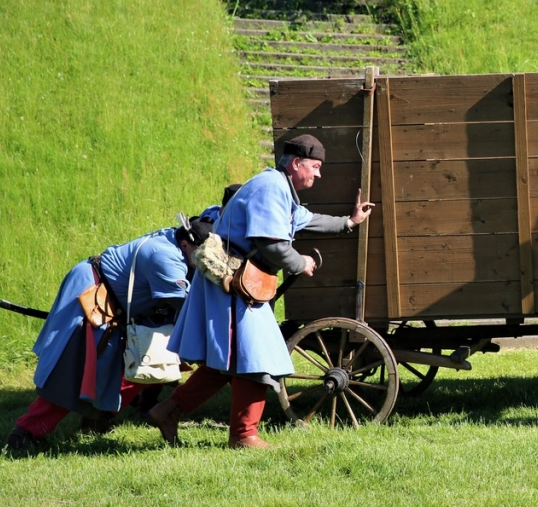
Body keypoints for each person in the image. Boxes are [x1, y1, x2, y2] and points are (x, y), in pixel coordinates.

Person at [148, 134, 375, 449]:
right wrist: (300, 261)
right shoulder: (271, 188)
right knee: (258, 357)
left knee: (229, 362)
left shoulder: (280, 188)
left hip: (239, 286)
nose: (319, 174)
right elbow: (272, 244)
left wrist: (349, 222)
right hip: (232, 286)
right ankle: (243, 435)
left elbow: (306, 221)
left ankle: (168, 412)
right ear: (296, 163)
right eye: (315, 166)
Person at [5, 216, 213, 453]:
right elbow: (186, 310)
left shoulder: (177, 242)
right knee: (71, 372)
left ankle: (96, 418)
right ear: (186, 244)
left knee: (142, 364)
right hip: (92, 297)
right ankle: (25, 433)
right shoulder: (165, 257)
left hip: (117, 305)